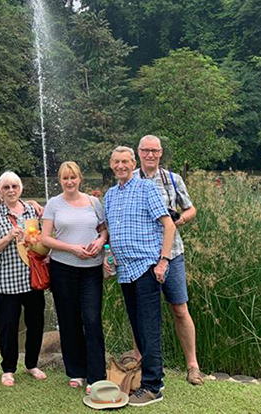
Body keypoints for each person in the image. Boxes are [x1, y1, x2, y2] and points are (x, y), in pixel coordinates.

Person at [104, 146, 175, 407]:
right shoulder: (110, 196)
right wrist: (107, 256)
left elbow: (168, 225)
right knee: (137, 326)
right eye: (117, 162)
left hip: (146, 267)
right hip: (124, 271)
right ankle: (154, 376)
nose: (121, 165)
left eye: (125, 161)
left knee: (149, 327)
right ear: (111, 165)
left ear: (133, 163)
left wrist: (163, 261)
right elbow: (110, 234)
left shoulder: (146, 188)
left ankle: (153, 388)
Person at [136, 135, 203, 385]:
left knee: (180, 308)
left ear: (161, 153)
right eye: (145, 151)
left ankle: (192, 365)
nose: (150, 155)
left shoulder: (173, 180)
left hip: (172, 253)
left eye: (154, 151)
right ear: (138, 153)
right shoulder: (131, 179)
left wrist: (179, 221)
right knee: (141, 311)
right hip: (141, 256)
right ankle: (139, 360)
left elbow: (191, 208)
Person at [41, 161, 108, 392]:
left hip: (91, 269)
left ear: (80, 179)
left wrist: (100, 241)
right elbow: (45, 239)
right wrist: (72, 249)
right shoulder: (53, 204)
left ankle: (96, 375)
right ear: (60, 181)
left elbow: (103, 229)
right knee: (69, 320)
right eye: (65, 178)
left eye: (73, 177)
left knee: (91, 319)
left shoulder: (93, 202)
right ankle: (76, 371)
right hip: (63, 268)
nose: (69, 182)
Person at [0, 171, 47, 387]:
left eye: (14, 186)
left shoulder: (32, 210)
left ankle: (31, 363)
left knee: (36, 323)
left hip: (32, 278)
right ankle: (8, 369)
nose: (11, 190)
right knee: (8, 327)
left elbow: (42, 241)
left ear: (20, 188)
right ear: (0, 192)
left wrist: (32, 241)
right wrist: (9, 237)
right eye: (6, 187)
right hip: (6, 281)